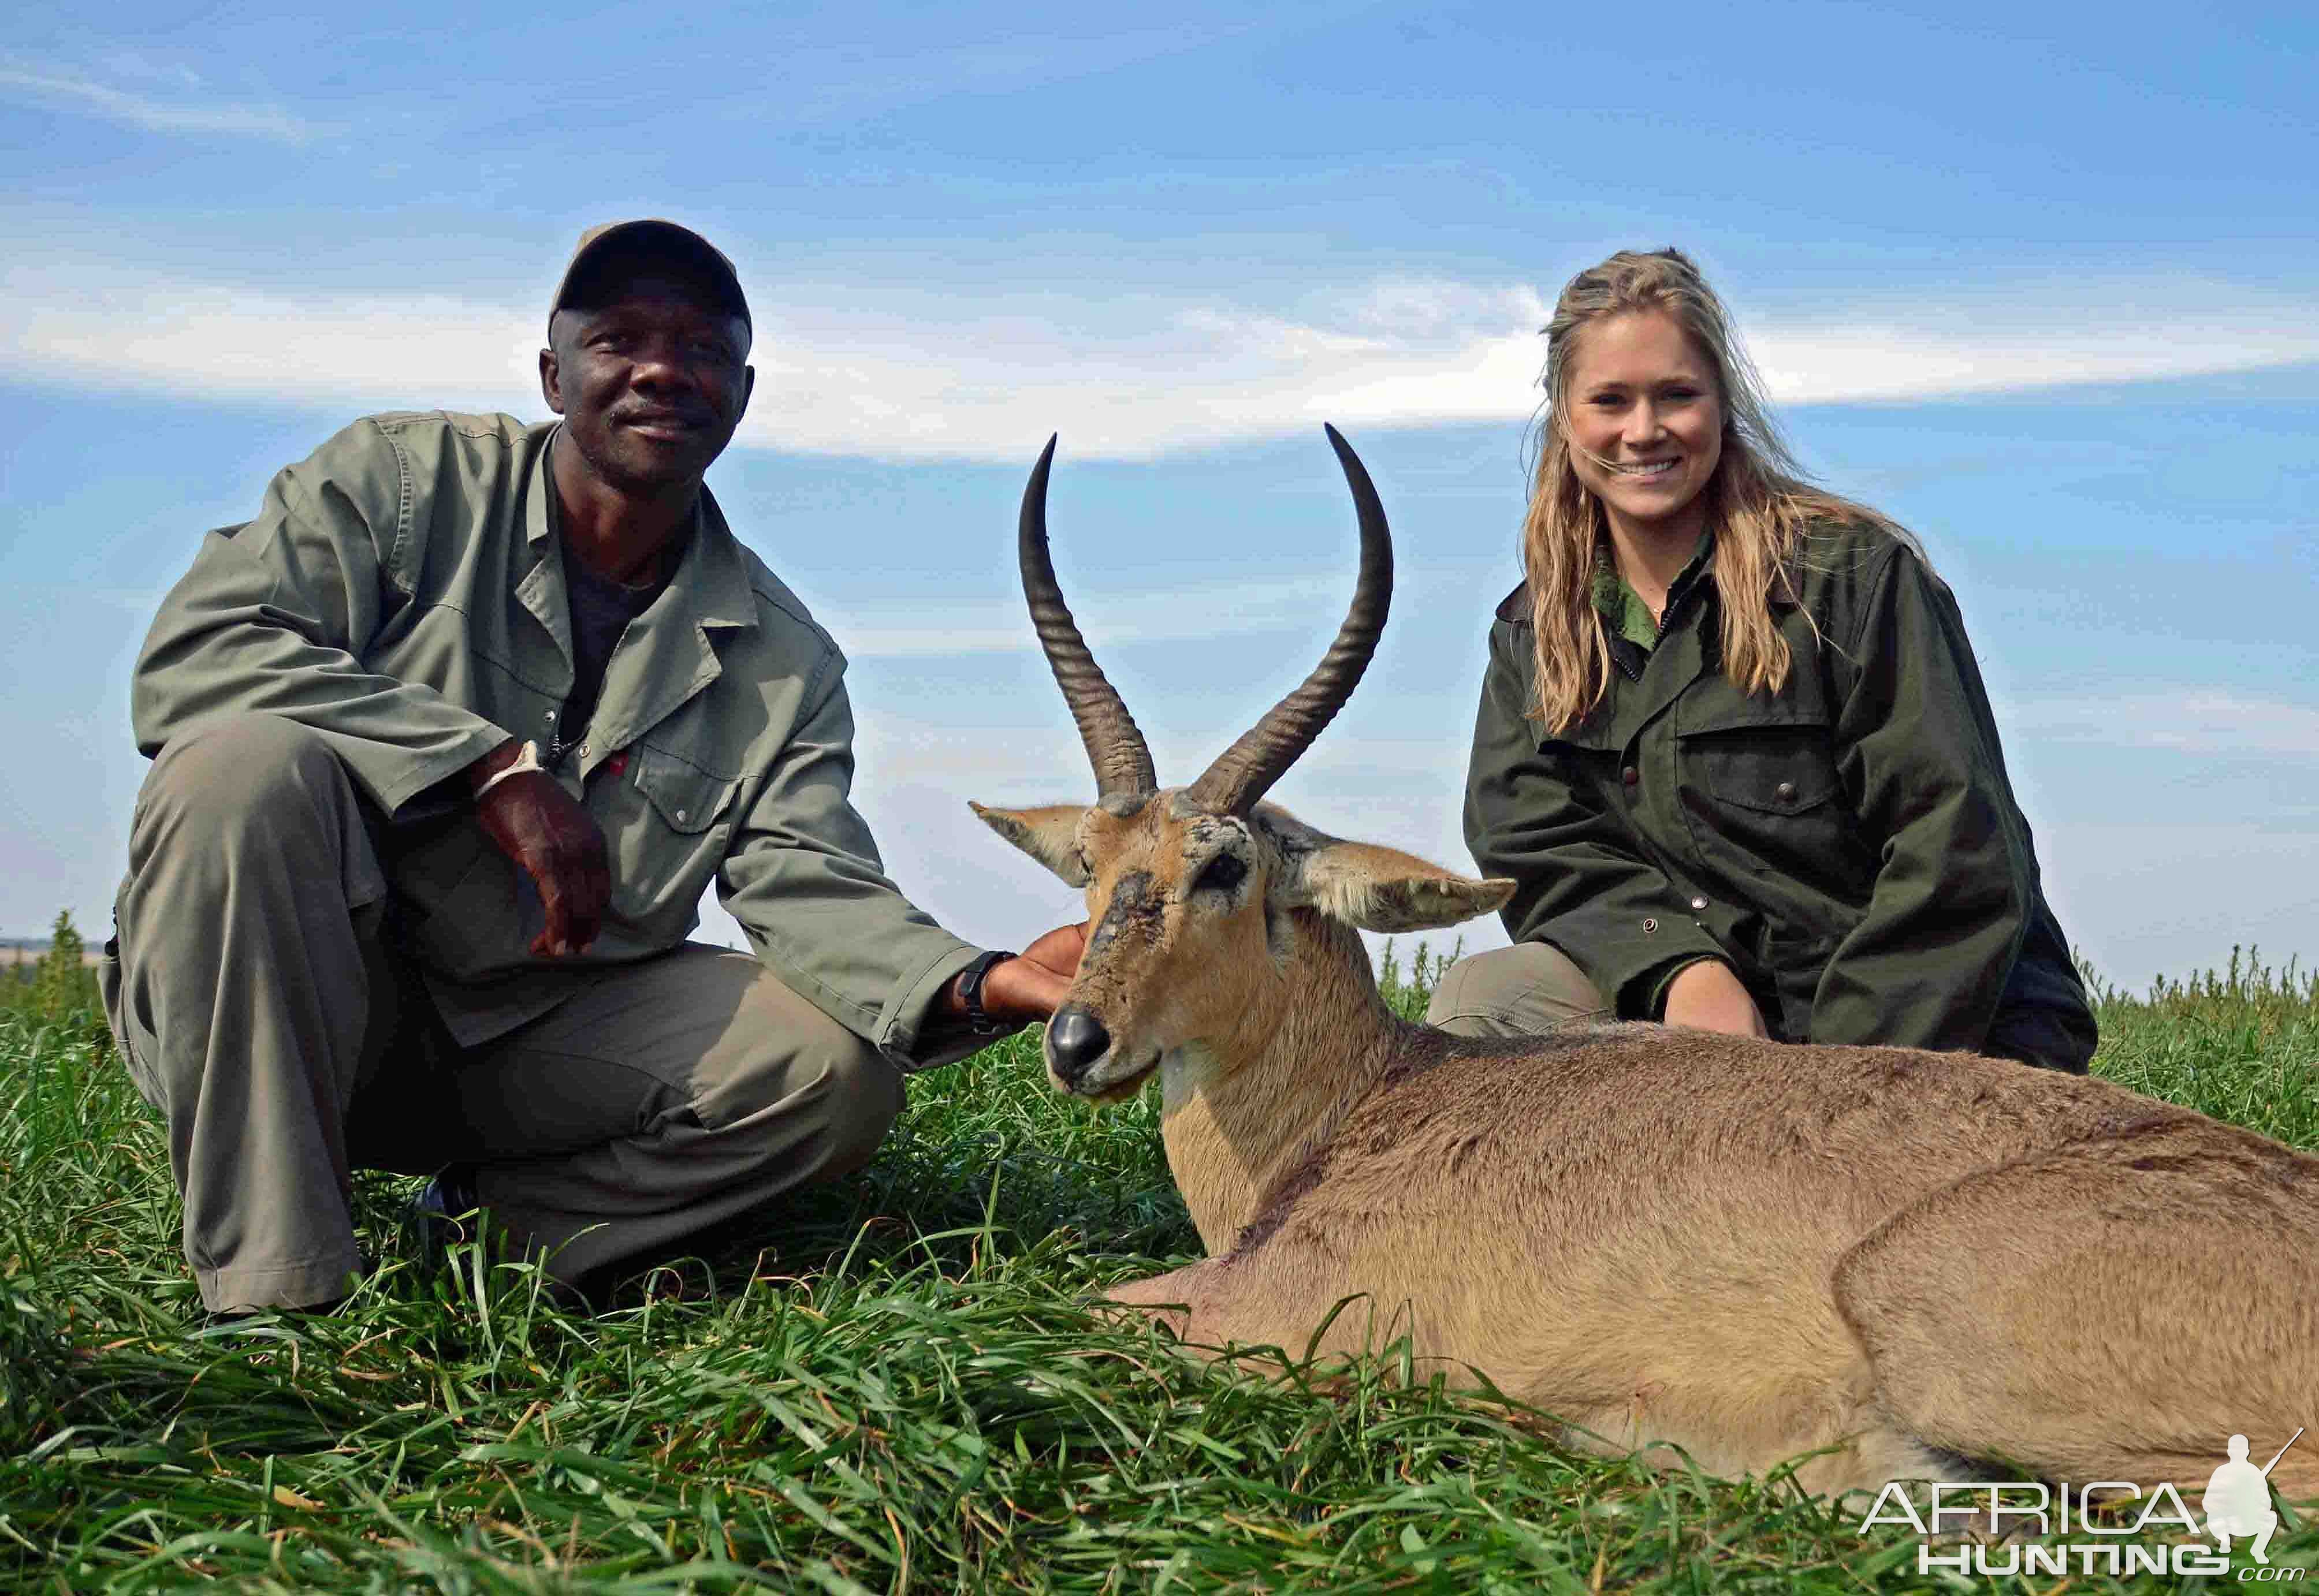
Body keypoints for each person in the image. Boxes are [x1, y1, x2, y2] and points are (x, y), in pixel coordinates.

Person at [102, 219, 1083, 1316]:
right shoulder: (404, 482)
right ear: (552, 372)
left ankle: (483, 1245)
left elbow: (809, 884)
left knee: (830, 1077)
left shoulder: (785, 657)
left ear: (741, 394)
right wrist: (482, 768)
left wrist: (977, 979)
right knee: (238, 769)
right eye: (619, 339)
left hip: (527, 1041)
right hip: (282, 1007)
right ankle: (278, 1304)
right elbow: (205, 649)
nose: (664, 369)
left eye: (704, 348)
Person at [1425, 248, 2095, 1072]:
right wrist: (1677, 968)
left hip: (1926, 1025)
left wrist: (1826, 1087)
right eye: (1611, 401)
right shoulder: (1538, 631)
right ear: (1565, 416)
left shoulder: (1856, 579)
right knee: (1487, 1001)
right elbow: (1534, 843)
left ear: (1723, 403)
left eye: (1677, 395)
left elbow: (1957, 849)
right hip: (1714, 1030)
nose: (1644, 432)